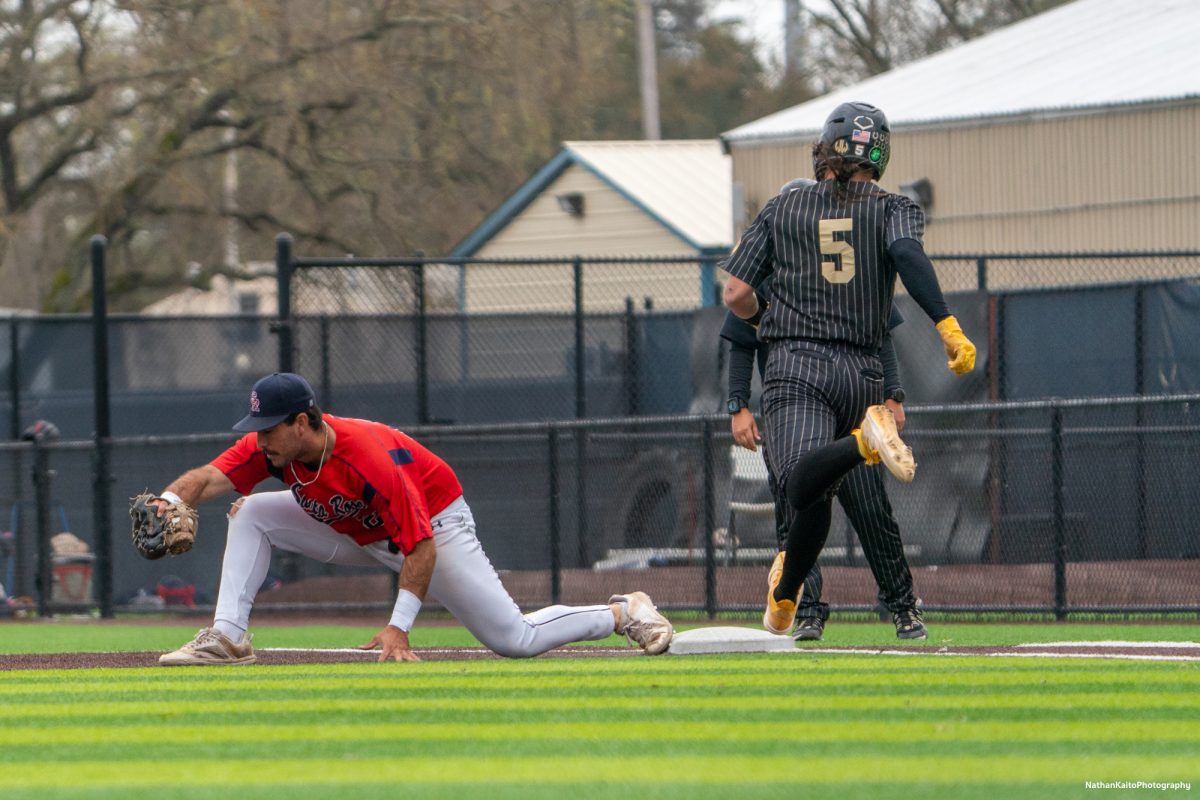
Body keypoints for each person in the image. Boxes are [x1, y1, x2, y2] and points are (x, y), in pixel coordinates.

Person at [154, 372, 674, 665]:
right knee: (250, 513)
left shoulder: (370, 457)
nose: (259, 438)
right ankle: (227, 636)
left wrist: (398, 628)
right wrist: (170, 502)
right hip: (354, 528)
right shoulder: (271, 450)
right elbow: (208, 477)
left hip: (433, 527)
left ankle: (624, 611)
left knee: (515, 640)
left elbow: (419, 545)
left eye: (270, 427)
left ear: (303, 423)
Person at [721, 101, 976, 637]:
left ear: (825, 150)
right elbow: (906, 262)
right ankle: (810, 604)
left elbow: (736, 296)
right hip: (860, 377)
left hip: (798, 371)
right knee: (866, 509)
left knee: (799, 492)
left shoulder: (785, 211)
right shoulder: (893, 209)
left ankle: (797, 596)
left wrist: (765, 327)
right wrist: (947, 326)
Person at [722, 275, 926, 641]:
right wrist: (738, 404)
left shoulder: (849, 260)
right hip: (792, 413)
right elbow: (740, 335)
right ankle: (809, 610)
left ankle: (902, 605)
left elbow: (882, 332)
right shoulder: (774, 258)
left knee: (871, 511)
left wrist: (893, 395)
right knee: (796, 513)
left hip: (849, 408)